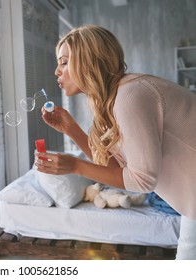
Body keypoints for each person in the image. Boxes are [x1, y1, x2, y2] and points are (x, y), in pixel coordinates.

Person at [35, 24, 196, 260]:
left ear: (89, 60)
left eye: (64, 62)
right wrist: (72, 130)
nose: (57, 72)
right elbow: (117, 171)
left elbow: (142, 180)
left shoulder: (130, 95)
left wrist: (75, 166)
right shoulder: (114, 100)